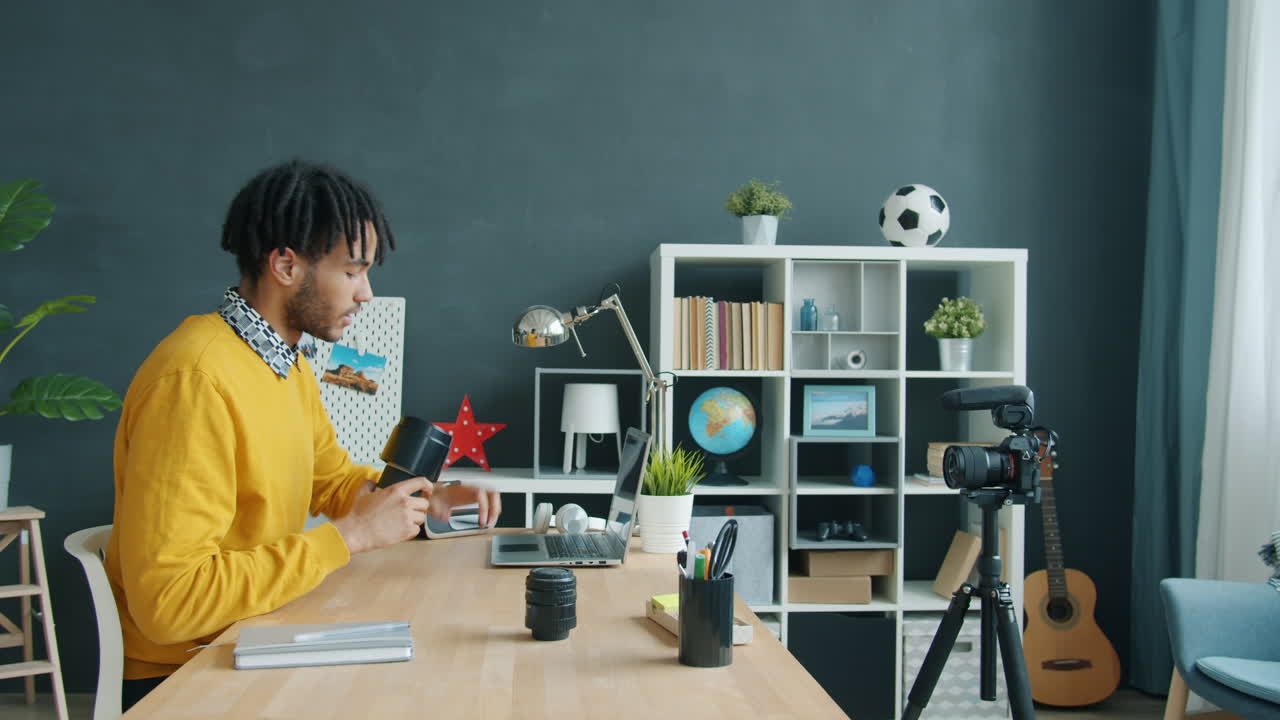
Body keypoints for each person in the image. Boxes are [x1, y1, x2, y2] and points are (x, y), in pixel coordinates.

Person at [103, 160, 501, 710]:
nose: (366, 293)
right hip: (187, 677)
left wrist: (421, 500)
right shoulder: (195, 381)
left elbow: (331, 481)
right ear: (286, 265)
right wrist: (347, 538)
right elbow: (171, 603)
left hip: (255, 637)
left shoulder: (284, 365)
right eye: (352, 272)